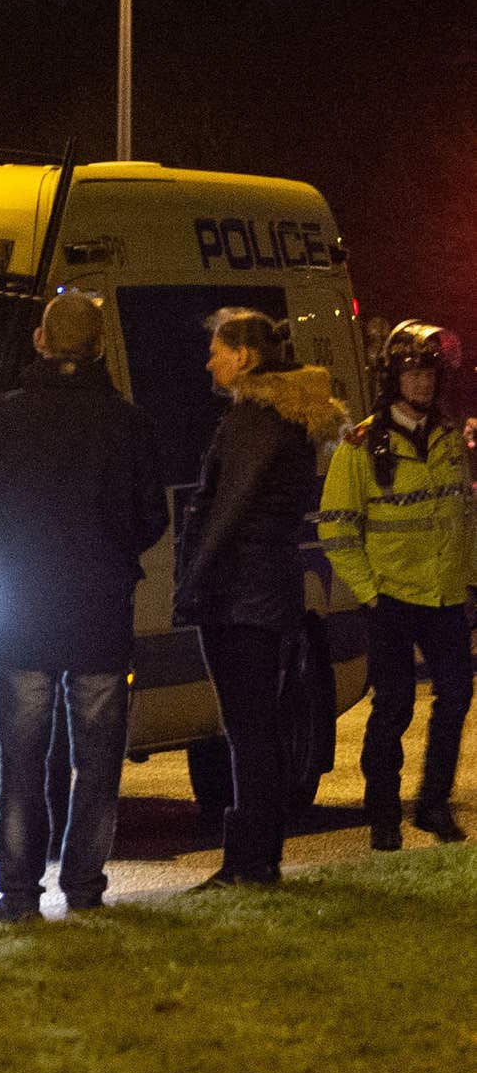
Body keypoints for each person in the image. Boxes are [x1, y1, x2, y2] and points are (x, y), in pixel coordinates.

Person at [0, 291, 167, 921]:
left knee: (20, 767)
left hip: (21, 613)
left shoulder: (0, 419)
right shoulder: (128, 423)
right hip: (100, 613)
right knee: (97, 767)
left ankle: (18, 894)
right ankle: (84, 888)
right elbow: (151, 518)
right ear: (102, 345)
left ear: (40, 340)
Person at [175, 307, 345, 889]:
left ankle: (249, 862)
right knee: (258, 729)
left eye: (219, 350)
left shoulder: (252, 422)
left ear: (245, 356)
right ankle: (257, 857)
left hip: (240, 596)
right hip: (266, 589)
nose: (209, 361)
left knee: (248, 732)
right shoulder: (283, 419)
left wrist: (195, 580)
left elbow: (225, 510)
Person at [320, 319, 472, 850]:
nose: (423, 382)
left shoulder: (452, 438)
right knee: (395, 706)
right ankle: (383, 815)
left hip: (447, 594)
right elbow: (337, 525)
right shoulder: (362, 444)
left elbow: (461, 513)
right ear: (393, 378)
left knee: (455, 694)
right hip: (390, 596)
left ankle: (433, 805)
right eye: (411, 372)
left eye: (429, 371)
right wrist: (369, 592)